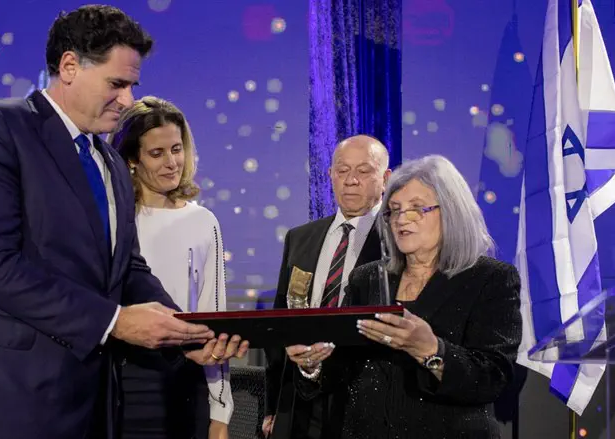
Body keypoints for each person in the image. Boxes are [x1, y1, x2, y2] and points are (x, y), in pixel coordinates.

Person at [0, 6, 247, 439]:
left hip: (91, 403)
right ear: (70, 66)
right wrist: (115, 321)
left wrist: (186, 335)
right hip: (6, 400)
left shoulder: (112, 163)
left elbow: (128, 268)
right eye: (116, 83)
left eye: (133, 85)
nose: (129, 100)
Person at [287, 155, 522, 439]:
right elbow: (343, 368)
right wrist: (313, 364)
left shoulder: (490, 278)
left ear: (451, 211)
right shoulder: (367, 278)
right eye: (394, 210)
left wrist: (430, 349)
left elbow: (493, 379)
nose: (401, 220)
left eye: (416, 209)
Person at [109, 96, 233, 439]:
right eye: (157, 153)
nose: (171, 162)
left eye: (176, 149)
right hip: (120, 382)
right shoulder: (113, 219)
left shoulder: (202, 221)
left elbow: (213, 318)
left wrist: (221, 411)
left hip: (185, 380)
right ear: (132, 158)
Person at [263, 135, 392, 439]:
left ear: (385, 178)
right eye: (342, 170)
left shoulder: (395, 243)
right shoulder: (300, 238)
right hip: (301, 400)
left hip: (364, 402)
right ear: (330, 175)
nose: (351, 181)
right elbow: (280, 323)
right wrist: (273, 407)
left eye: (363, 171)